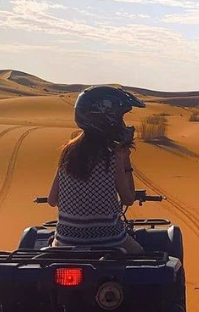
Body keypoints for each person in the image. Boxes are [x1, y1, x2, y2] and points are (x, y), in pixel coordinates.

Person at [50, 86, 148, 253]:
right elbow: (128, 199)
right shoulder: (111, 155)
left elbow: (52, 200)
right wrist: (125, 162)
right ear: (107, 118)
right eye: (119, 118)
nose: (122, 124)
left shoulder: (68, 151)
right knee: (140, 255)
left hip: (65, 242)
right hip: (109, 242)